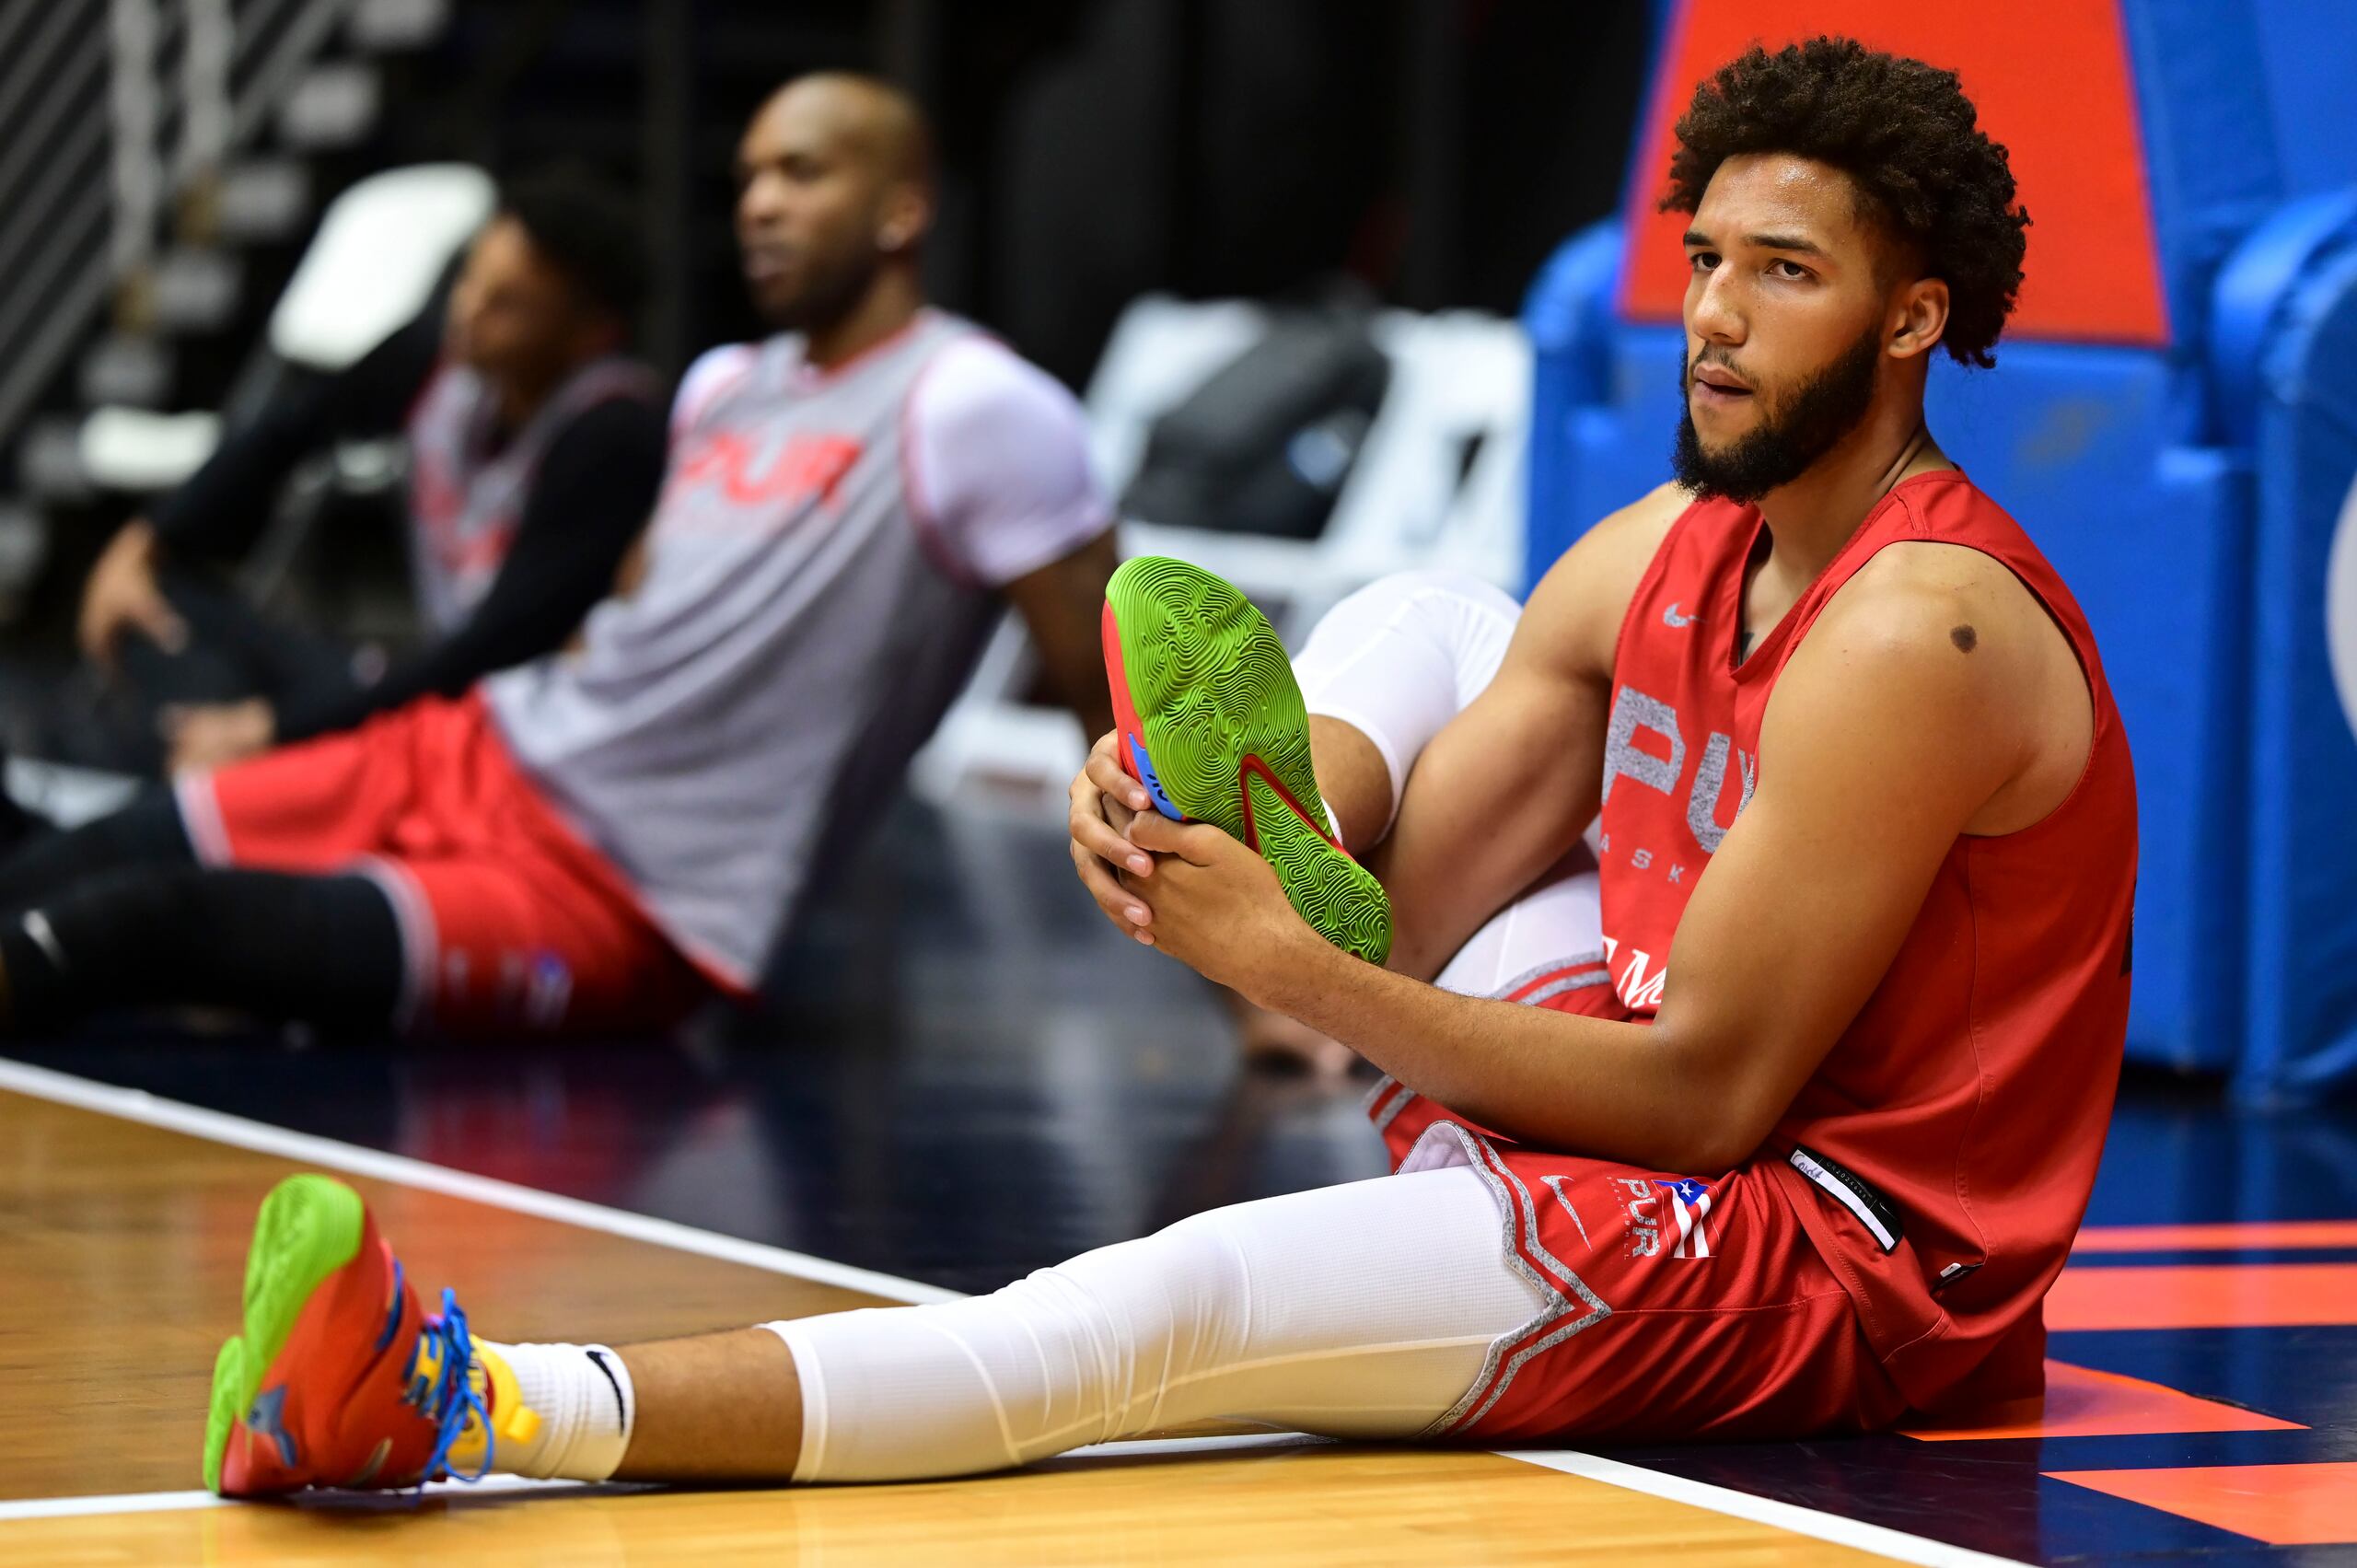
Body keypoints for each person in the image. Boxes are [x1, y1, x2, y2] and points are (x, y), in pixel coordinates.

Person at [199, 39, 2132, 1497]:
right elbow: (1474, 880)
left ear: (1909, 315)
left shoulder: (1918, 632)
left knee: (1148, 1314)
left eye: (1780, 274)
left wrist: (1287, 973)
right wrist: (1181, 842)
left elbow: (1708, 1095)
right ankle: (1274, 807)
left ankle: (462, 1393)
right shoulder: (1674, 542)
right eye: (1703, 256)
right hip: (1635, 1054)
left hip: (1817, 1254)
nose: (1711, 314)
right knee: (1456, 610)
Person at [0, 73, 1115, 1040]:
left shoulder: (978, 406)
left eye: (803, 172)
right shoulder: (726, 385)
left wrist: (1247, 983)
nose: (761, 204)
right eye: (748, 178)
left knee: (134, 922)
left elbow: (1111, 702)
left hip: (616, 895)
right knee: (95, 853)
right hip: (477, 747)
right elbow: (616, 611)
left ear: (900, 207)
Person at [76, 169, 668, 776]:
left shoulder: (614, 438)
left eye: (507, 303)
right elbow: (292, 424)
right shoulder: (445, 359)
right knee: (160, 598)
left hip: (507, 740)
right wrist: (145, 542)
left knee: (241, 735)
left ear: (590, 335)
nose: (466, 310)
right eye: (469, 277)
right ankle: (219, 771)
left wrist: (275, 729)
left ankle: (221, 777)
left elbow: (489, 660)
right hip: (414, 684)